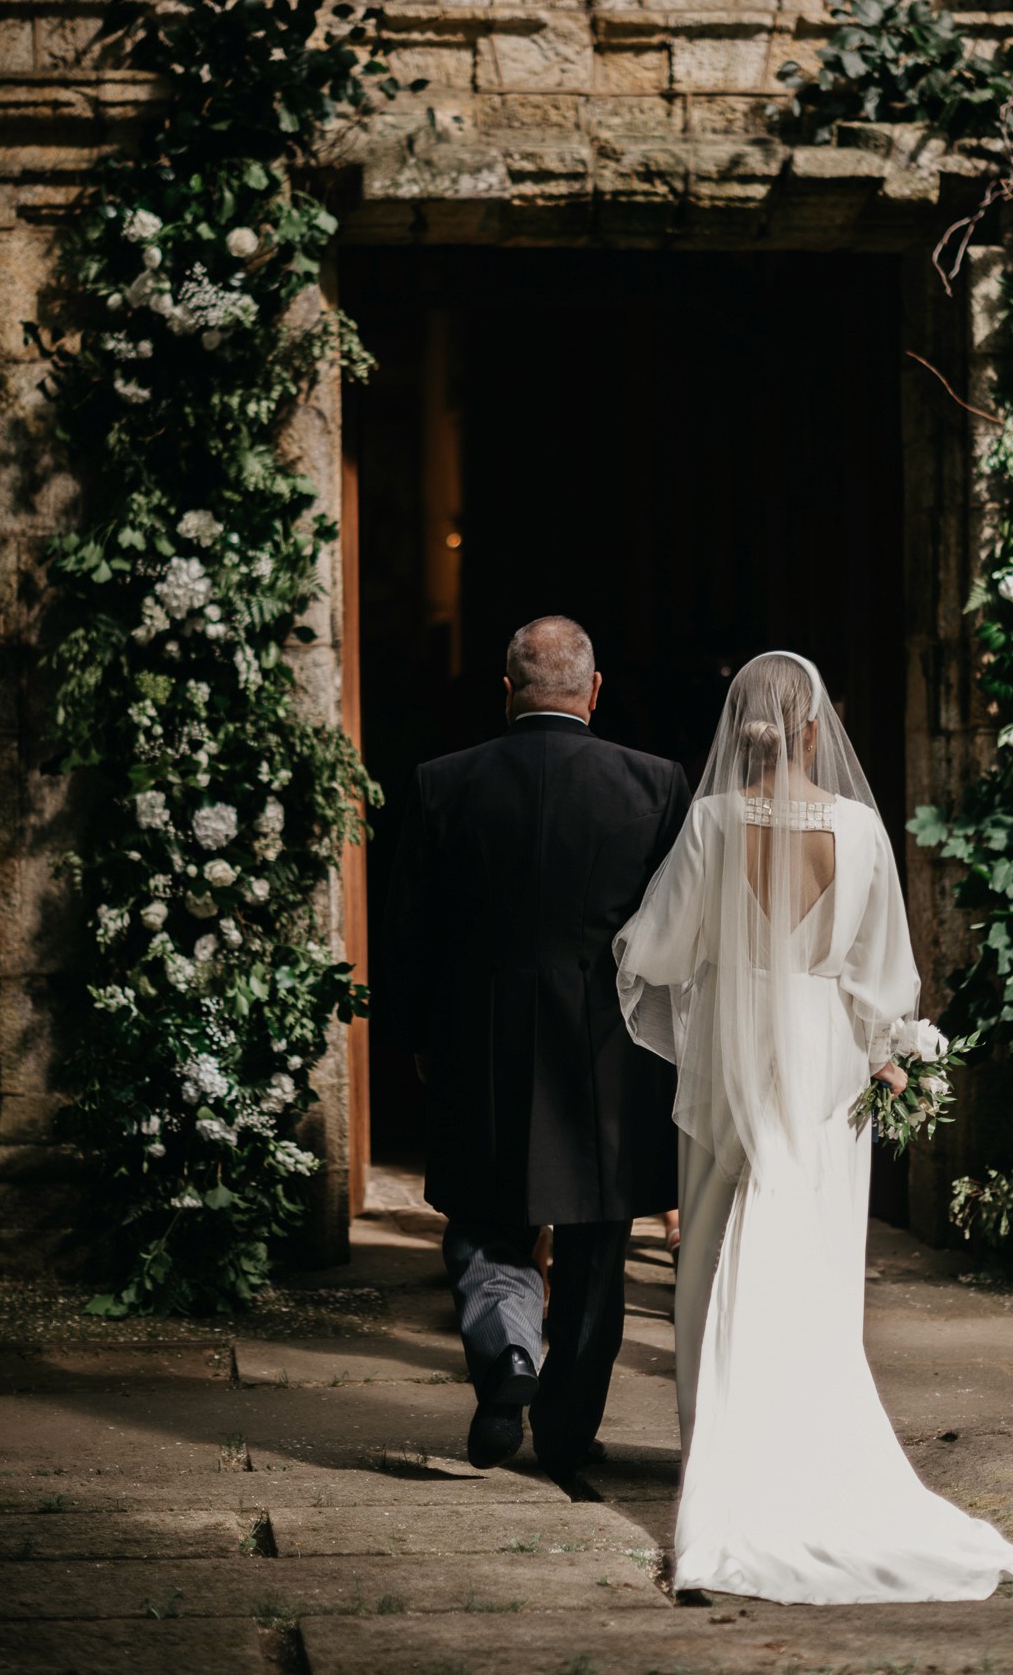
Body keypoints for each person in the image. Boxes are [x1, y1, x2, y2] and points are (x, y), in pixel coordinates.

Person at [614, 651, 1013, 1603]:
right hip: (825, 1063)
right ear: (815, 728)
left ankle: (718, 1451)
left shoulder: (712, 822)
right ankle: (808, 1435)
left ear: (741, 728)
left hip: (731, 1060)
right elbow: (884, 971)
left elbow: (664, 948)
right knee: (812, 1245)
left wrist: (622, 942)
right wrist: (887, 1047)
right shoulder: (860, 829)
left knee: (716, 1245)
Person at [384, 615, 689, 1479]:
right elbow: (675, 936)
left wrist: (414, 1036)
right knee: (593, 1247)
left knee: (486, 1224)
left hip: (479, 1042)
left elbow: (410, 931)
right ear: (593, 690)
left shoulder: (443, 783)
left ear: (506, 688)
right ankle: (562, 1429)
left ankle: (507, 1355)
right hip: (607, 1051)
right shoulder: (656, 784)